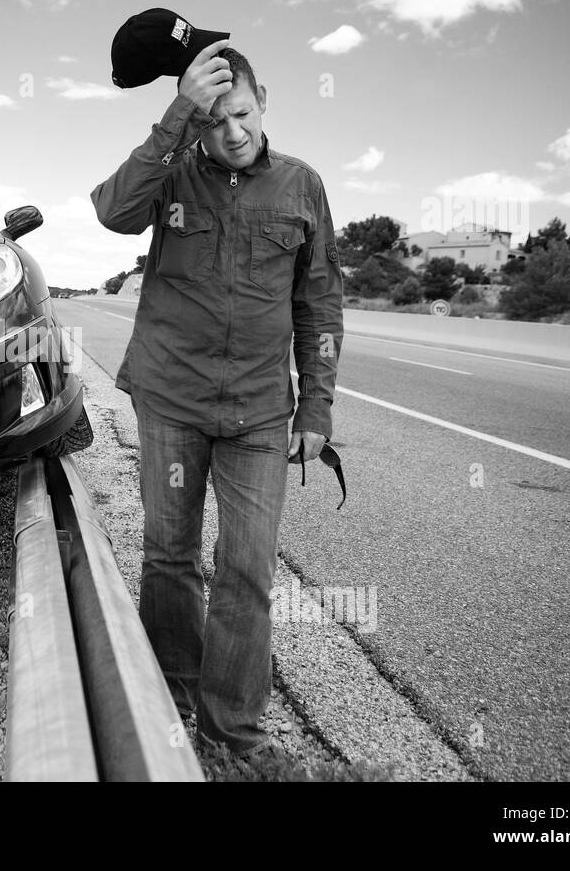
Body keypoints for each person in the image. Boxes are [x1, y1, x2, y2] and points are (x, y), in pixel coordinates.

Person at [90, 39, 344, 760]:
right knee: (169, 555)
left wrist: (316, 410)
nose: (230, 133)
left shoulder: (302, 186)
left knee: (247, 569)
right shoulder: (171, 175)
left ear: (263, 104)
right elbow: (113, 211)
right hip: (171, 396)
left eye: (240, 114)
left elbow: (319, 304)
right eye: (213, 121)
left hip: (261, 411)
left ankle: (232, 732)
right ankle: (169, 696)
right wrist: (179, 113)